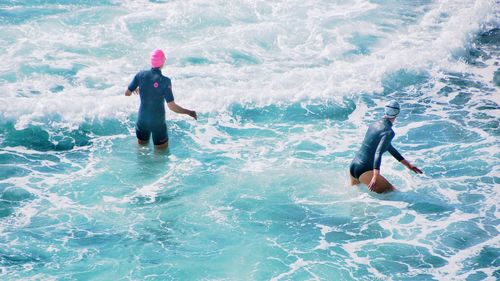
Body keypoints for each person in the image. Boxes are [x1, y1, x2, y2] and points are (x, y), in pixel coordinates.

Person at [125, 49, 197, 149]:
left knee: (142, 153)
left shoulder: (139, 75)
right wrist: (189, 112)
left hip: (142, 121)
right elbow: (172, 107)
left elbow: (127, 93)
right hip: (158, 123)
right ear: (162, 62)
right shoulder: (165, 81)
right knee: (161, 158)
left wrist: (135, 89)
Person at [349, 100, 422, 193]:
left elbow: (389, 148)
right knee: (393, 193)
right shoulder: (388, 132)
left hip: (354, 166)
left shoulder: (373, 124)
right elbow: (378, 153)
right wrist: (376, 176)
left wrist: (409, 165)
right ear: (397, 113)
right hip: (365, 170)